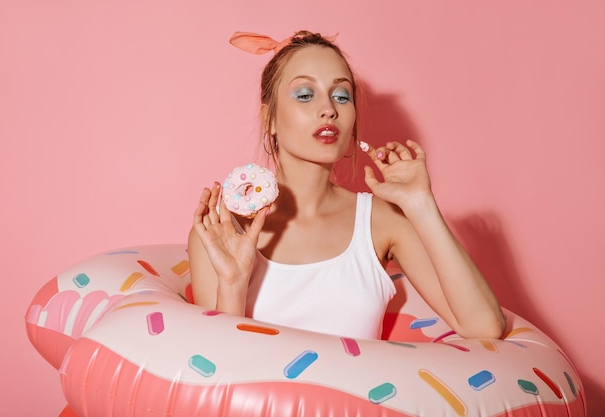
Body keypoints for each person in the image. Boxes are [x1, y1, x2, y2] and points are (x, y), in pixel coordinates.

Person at [188, 30, 506, 340]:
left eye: (342, 96)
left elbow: (483, 326)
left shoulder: (383, 221)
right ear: (269, 118)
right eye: (305, 95)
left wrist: (421, 203)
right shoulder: (222, 231)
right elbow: (214, 375)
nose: (329, 109)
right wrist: (232, 283)